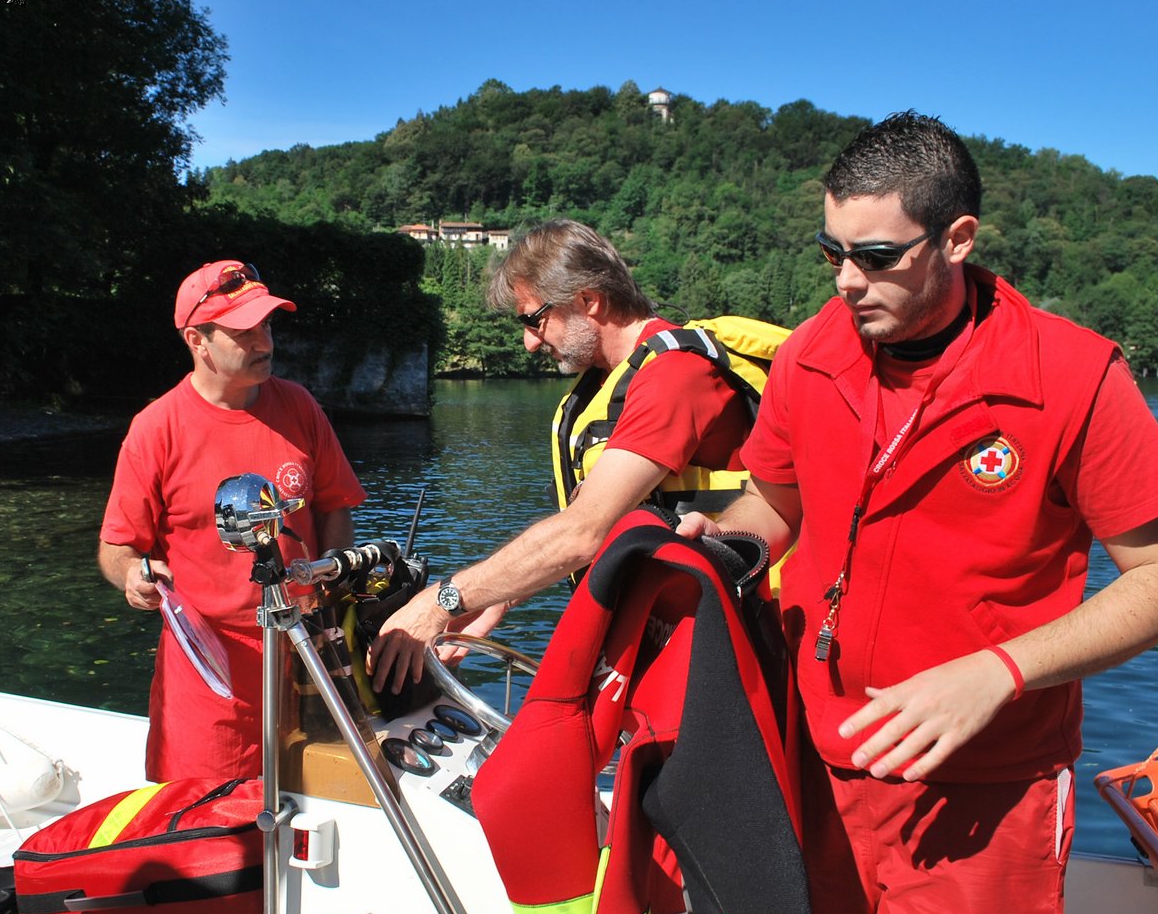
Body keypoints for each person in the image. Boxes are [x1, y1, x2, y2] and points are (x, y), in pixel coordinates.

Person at [677, 111, 1158, 914]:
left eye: (877, 256)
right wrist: (717, 542)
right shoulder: (811, 352)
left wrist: (992, 672)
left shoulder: (1073, 376)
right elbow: (775, 501)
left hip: (984, 793)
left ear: (957, 239)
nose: (847, 281)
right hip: (806, 764)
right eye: (832, 252)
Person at [369, 219, 754, 693]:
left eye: (534, 319)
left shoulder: (674, 376)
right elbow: (604, 523)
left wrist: (441, 601)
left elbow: (583, 532)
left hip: (723, 649)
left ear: (588, 301)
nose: (529, 341)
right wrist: (501, 597)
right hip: (666, 642)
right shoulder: (609, 381)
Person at [98, 260, 366, 781]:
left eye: (266, 325)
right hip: (208, 670)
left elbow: (335, 505)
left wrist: (332, 577)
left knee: (311, 807)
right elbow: (118, 547)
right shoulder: (156, 428)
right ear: (198, 340)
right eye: (244, 332)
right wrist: (132, 576)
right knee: (205, 816)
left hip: (305, 651)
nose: (264, 342)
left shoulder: (300, 407)